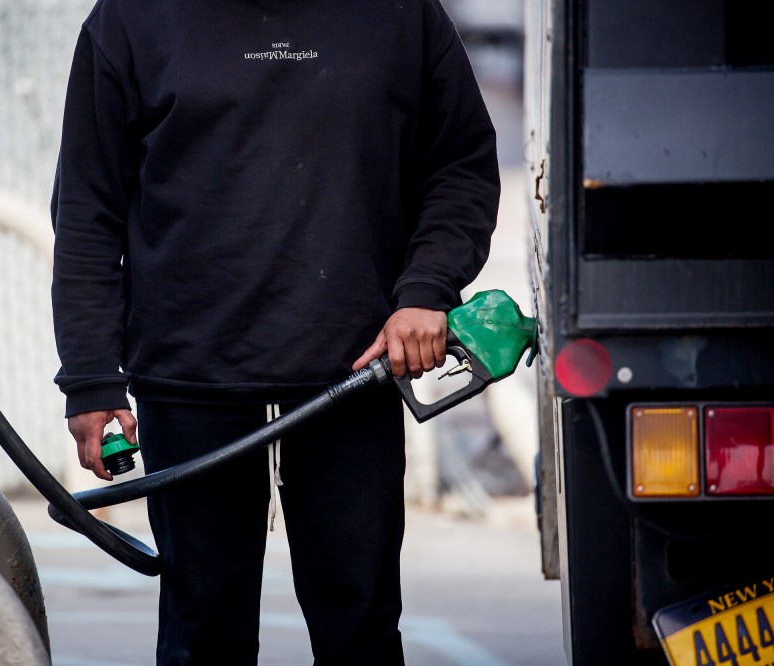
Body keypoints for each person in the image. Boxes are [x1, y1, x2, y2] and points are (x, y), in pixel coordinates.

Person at [50, 0, 500, 663]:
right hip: (188, 378)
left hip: (356, 371)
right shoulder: (131, 19)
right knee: (202, 635)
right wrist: (91, 378)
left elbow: (460, 167)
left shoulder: (400, 15)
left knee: (361, 630)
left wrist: (426, 291)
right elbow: (88, 210)